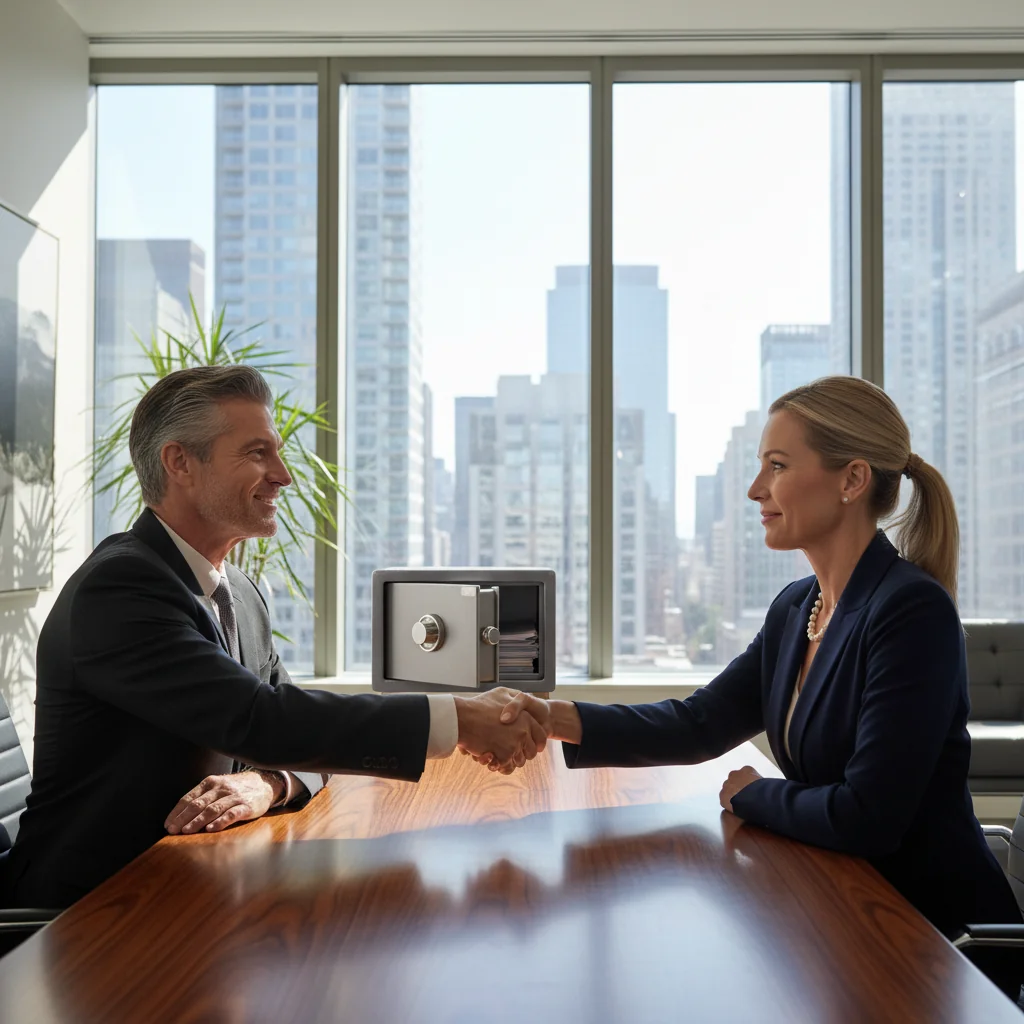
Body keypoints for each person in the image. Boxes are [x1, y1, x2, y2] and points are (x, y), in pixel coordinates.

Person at [0, 366, 548, 909]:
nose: (283, 475)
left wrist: (269, 783)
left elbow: (294, 734)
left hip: (191, 888)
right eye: (257, 453)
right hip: (88, 912)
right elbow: (262, 719)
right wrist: (458, 717)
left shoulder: (238, 590)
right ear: (179, 462)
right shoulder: (120, 588)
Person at [496, 376, 1021, 941]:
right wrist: (552, 718)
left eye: (777, 466)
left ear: (852, 479)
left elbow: (868, 817)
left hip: (935, 939)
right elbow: (698, 723)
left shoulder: (911, 612)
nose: (754, 489)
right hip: (840, 911)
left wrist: (753, 792)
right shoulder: (797, 607)